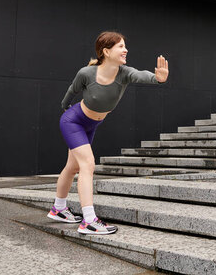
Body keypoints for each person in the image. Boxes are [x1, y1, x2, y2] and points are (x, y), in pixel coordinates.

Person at [48, 31, 169, 234]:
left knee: (72, 167)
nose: (125, 50)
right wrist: (65, 107)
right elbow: (72, 90)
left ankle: (58, 209)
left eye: (124, 46)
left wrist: (158, 79)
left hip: (91, 125)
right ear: (106, 51)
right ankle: (89, 221)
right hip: (74, 121)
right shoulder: (86, 73)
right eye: (120, 46)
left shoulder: (124, 73)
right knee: (88, 164)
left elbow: (141, 75)